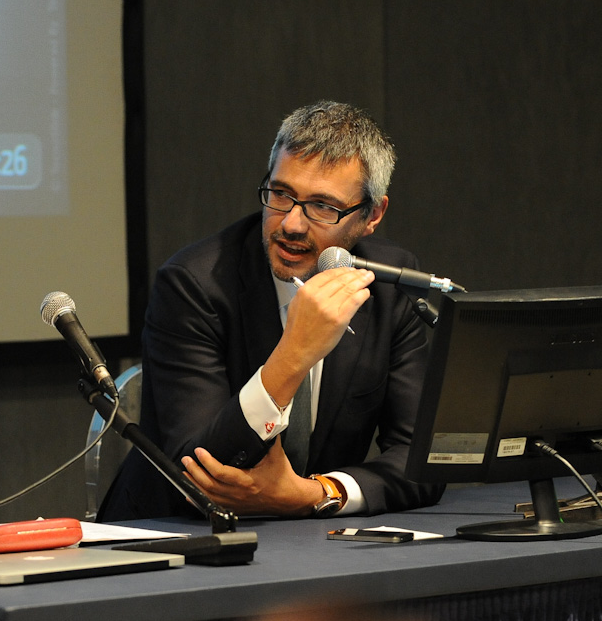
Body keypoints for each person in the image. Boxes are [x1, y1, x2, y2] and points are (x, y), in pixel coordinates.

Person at [99, 100, 444, 521]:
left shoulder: (389, 286)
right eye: (281, 194)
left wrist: (315, 493)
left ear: (372, 215)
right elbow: (203, 472)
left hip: (312, 541)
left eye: (323, 206)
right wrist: (294, 353)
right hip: (175, 534)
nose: (291, 224)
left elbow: (424, 459)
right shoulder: (193, 285)